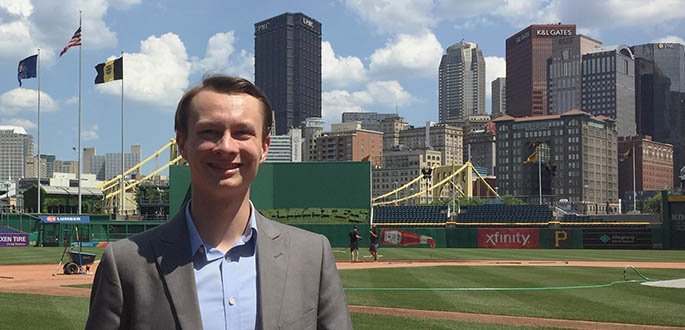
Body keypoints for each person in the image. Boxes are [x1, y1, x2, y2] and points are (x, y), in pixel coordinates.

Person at [85, 75, 352, 330]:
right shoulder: (125, 264)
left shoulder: (312, 255)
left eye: (242, 133)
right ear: (182, 143)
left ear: (264, 147)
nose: (226, 146)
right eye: (210, 132)